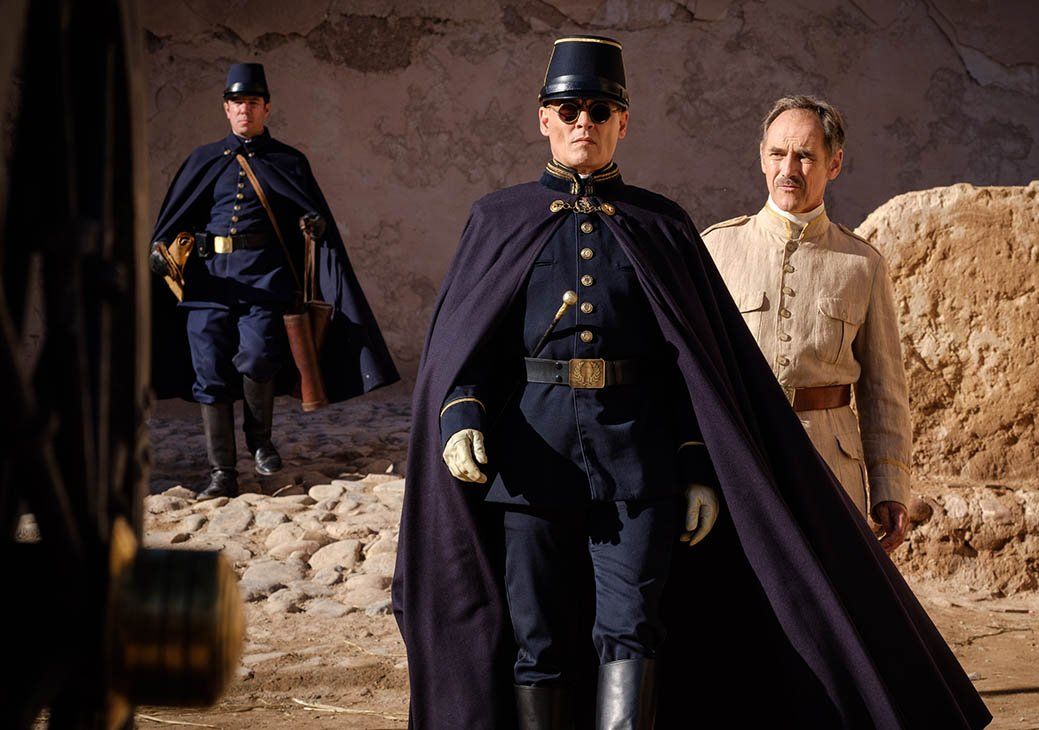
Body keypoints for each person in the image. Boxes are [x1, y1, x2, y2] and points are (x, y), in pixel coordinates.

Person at [394, 38, 990, 730]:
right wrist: (460, 416)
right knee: (539, 640)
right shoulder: (495, 220)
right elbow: (468, 347)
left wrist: (696, 465)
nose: (584, 121)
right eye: (569, 109)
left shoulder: (663, 227)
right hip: (532, 469)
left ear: (623, 122)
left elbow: (689, 369)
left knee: (632, 631)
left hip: (638, 472)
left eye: (600, 109)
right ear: (543, 118)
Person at [147, 63, 399, 499]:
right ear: (226, 109)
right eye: (236, 102)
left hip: (265, 280)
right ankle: (222, 472)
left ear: (266, 108)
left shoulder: (288, 162)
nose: (244, 110)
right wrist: (160, 251)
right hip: (208, 286)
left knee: (259, 356)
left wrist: (314, 226)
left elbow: (308, 213)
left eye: (252, 102)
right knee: (208, 371)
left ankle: (260, 440)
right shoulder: (202, 160)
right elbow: (175, 219)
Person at [702, 95, 912, 552]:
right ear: (762, 158)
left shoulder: (862, 264)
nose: (788, 168)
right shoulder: (716, 250)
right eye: (777, 153)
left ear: (834, 164)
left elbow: (883, 390)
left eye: (805, 156)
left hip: (829, 466)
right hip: (741, 458)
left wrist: (890, 485)